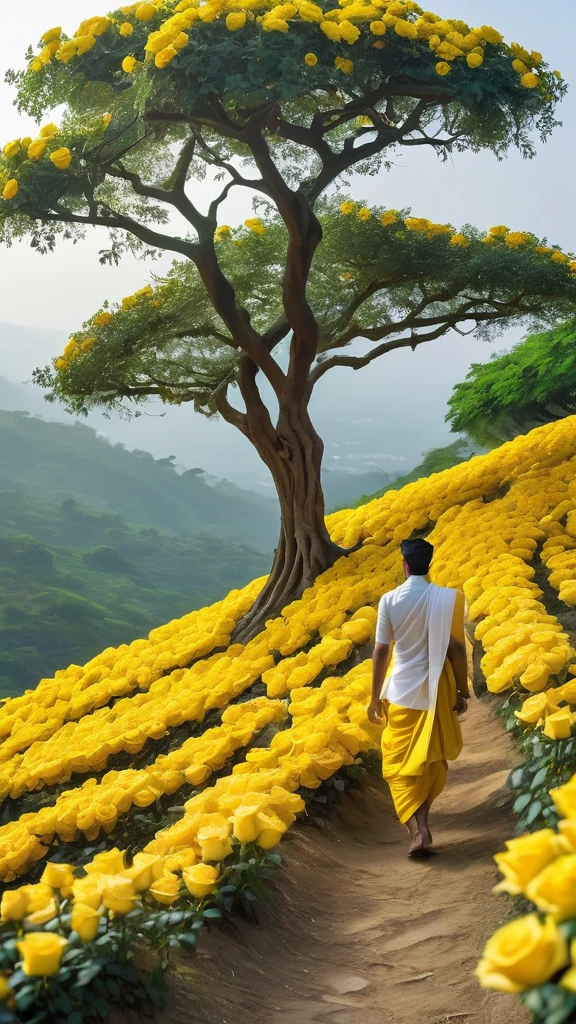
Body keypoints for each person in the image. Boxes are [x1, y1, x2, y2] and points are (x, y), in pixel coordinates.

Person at [366, 538, 470, 857]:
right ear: (429, 563)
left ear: (405, 564)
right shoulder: (450, 598)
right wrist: (463, 690)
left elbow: (382, 650)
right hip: (438, 690)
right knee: (428, 760)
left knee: (398, 763)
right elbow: (456, 648)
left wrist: (373, 698)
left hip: (401, 690)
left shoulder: (389, 601)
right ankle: (422, 825)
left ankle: (416, 830)